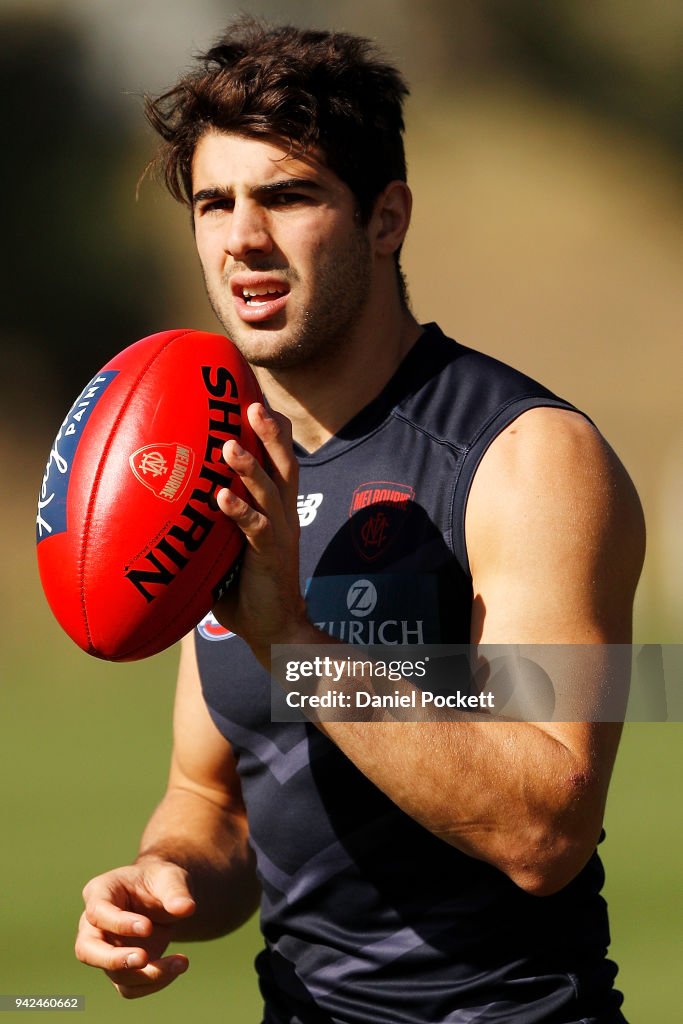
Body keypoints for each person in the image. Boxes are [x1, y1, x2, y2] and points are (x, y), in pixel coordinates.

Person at [74, 18, 646, 1023]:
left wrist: (293, 638)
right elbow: (215, 801)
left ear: (386, 220)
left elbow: (545, 827)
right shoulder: (224, 467)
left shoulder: (531, 458)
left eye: (287, 196)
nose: (242, 236)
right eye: (215, 202)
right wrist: (159, 880)